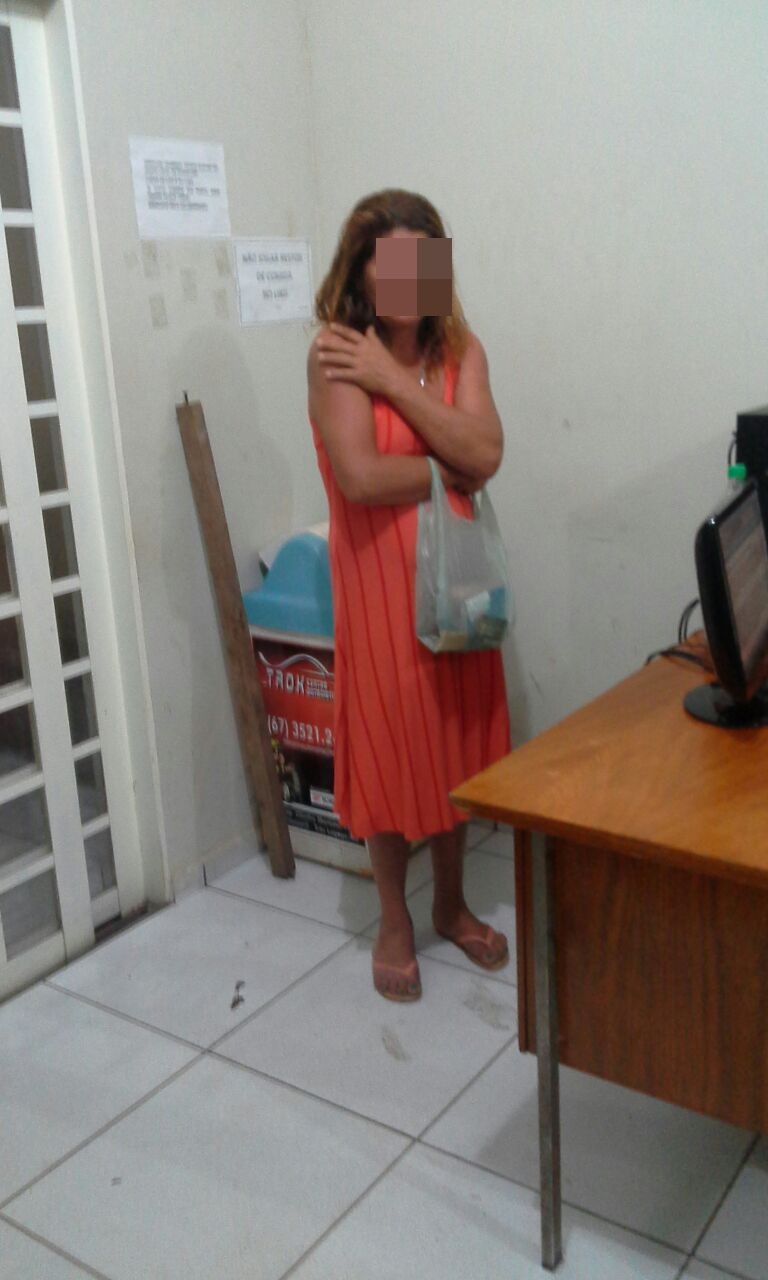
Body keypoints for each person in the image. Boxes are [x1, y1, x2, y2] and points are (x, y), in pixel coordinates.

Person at [307, 188, 512, 1002]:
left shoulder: (461, 350)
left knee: (454, 746)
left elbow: (487, 453)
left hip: (455, 589)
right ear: (361, 269)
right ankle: (394, 919)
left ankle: (451, 905)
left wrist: (396, 381)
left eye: (423, 262)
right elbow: (359, 477)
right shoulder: (336, 354)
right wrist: (443, 466)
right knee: (392, 753)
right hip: (378, 594)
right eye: (389, 262)